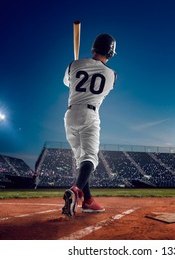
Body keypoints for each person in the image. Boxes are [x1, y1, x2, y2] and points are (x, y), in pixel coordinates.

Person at [61, 33, 117, 217]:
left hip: (70, 114)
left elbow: (67, 83)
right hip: (90, 114)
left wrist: (77, 67)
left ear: (93, 47)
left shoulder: (73, 65)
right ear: (111, 52)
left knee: (81, 160)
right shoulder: (112, 75)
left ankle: (89, 201)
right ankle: (77, 191)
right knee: (90, 158)